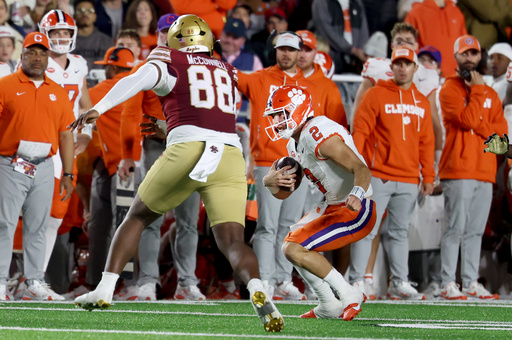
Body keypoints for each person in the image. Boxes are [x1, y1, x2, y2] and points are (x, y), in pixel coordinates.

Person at [70, 14, 284, 333]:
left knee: (138, 217)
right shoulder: (228, 70)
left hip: (189, 149)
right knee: (232, 240)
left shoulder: (169, 60)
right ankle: (258, 288)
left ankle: (104, 289)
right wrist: (170, 127)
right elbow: (206, 111)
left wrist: (98, 107)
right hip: (228, 154)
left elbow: (134, 81)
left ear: (174, 40)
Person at [237, 31, 345, 301]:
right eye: (281, 49)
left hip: (300, 165)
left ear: (300, 53)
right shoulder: (260, 78)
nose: (286, 54)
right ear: (275, 50)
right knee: (267, 227)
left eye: (291, 49)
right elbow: (229, 74)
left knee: (290, 227)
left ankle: (284, 279)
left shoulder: (309, 86)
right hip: (267, 163)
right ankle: (265, 282)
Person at [262, 84, 376, 319]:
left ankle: (348, 294)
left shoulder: (318, 134)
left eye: (281, 115)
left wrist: (356, 192)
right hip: (333, 204)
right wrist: (270, 181)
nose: (277, 122)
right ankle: (328, 304)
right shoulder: (294, 142)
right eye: (274, 117)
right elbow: (285, 192)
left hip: (356, 207)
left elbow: (361, 169)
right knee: (289, 246)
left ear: (298, 110)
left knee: (295, 247)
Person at [116, 13, 205, 302]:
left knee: (188, 221)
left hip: (190, 146)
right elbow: (130, 113)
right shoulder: (149, 66)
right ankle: (147, 282)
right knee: (150, 217)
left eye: (176, 32)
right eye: (166, 31)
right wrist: (128, 155)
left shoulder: (197, 67)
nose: (170, 36)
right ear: (157, 34)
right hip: (154, 147)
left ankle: (187, 283)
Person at [349, 22, 441, 299]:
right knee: (367, 229)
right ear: (392, 65)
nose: (402, 68)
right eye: (398, 63)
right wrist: (358, 169)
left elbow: (427, 142)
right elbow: (360, 132)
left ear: (415, 68)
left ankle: (399, 282)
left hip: (410, 178)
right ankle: (356, 280)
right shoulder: (376, 93)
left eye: (407, 64)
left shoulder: (422, 102)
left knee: (400, 233)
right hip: (379, 174)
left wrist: (427, 177)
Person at [0, 32, 75, 301]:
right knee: (4, 224)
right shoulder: (5, 85)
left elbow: (66, 134)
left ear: (48, 57)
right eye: (32, 52)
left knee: (38, 226)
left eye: (42, 53)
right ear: (22, 56)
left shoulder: (57, 91)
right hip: (9, 162)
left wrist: (68, 172)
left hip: (44, 165)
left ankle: (34, 281)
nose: (37, 57)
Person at [437, 35, 506, 300]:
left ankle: (469, 282)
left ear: (480, 57)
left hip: (484, 170)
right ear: (455, 57)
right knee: (455, 228)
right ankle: (447, 282)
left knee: (475, 231)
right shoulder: (450, 88)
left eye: (474, 54)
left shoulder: (489, 93)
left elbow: (500, 137)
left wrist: (480, 125)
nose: (470, 58)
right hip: (459, 168)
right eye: (464, 54)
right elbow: (467, 120)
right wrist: (477, 95)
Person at [37, 10, 93, 300]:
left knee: (55, 217)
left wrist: (87, 132)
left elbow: (85, 103)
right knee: (19, 214)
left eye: (65, 33)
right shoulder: (37, 62)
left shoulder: (79, 65)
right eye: (55, 32)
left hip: (65, 145)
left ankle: (33, 281)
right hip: (38, 141)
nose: (60, 38)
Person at [404, 0, 467, 77]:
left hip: (455, 78)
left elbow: (464, 46)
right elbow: (406, 46)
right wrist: (423, 65)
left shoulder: (456, 11)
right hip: (425, 78)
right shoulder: (415, 12)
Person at [311, 0, 370, 74]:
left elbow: (363, 30)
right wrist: (352, 50)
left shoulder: (357, 3)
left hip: (355, 60)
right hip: (332, 56)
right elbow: (326, 31)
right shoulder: (321, 2)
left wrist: (362, 50)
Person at [73, 0, 114, 73]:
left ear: (95, 16)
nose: (85, 14)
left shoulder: (107, 42)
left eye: (90, 10)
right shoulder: (67, 42)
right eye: (80, 11)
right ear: (74, 16)